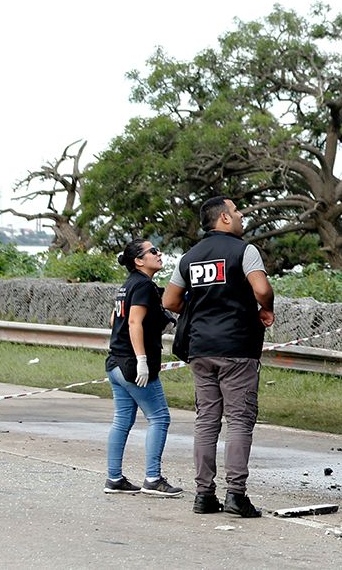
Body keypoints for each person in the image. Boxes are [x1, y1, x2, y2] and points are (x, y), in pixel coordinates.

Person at [163, 196, 274, 517]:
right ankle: (236, 494)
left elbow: (171, 300)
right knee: (239, 420)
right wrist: (266, 308)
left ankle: (203, 494)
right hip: (237, 347)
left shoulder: (189, 257)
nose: (241, 217)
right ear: (224, 219)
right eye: (237, 212)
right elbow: (262, 289)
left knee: (207, 420)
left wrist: (203, 311)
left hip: (200, 348)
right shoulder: (245, 251)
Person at [104, 238, 183, 497]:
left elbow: (114, 318)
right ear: (139, 261)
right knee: (160, 417)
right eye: (152, 251)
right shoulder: (144, 285)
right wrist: (141, 360)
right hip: (132, 365)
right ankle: (153, 478)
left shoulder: (127, 286)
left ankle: (114, 478)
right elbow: (134, 323)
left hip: (115, 362)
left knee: (122, 420)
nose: (159, 254)